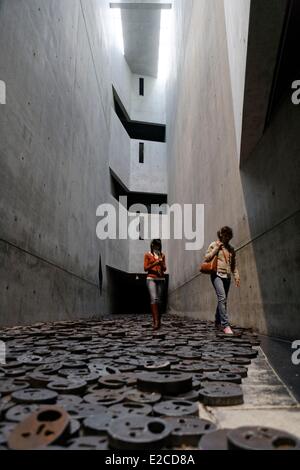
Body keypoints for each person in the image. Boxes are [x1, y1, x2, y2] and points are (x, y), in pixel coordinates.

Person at [205, 226, 240, 335]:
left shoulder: (231, 249)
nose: (227, 238)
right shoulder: (214, 244)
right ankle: (225, 325)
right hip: (216, 275)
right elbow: (207, 258)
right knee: (222, 298)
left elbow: (233, 265)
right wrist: (216, 249)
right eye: (225, 236)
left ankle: (217, 321)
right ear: (221, 235)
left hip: (227, 276)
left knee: (223, 300)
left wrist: (236, 275)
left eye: (229, 236)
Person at [144, 239, 167, 330]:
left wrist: (161, 264)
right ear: (152, 245)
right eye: (155, 245)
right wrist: (155, 263)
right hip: (151, 279)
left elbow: (165, 269)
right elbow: (145, 268)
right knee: (154, 299)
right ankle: (156, 322)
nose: (157, 247)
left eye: (158, 245)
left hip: (161, 279)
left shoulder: (162, 255)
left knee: (160, 301)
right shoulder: (147, 255)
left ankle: (159, 320)